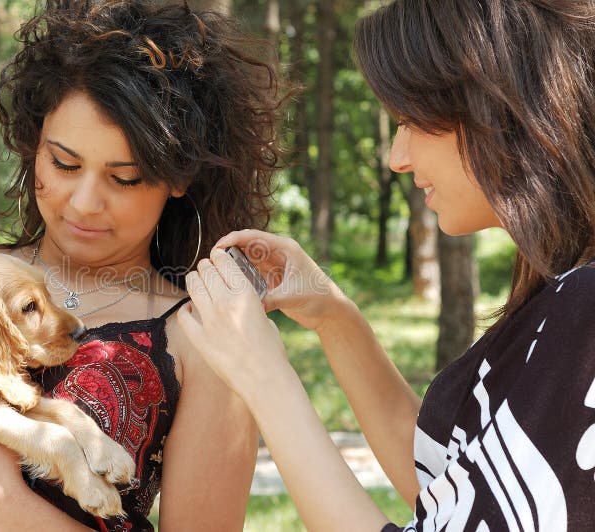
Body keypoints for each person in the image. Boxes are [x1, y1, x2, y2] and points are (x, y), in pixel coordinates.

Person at [0, 1, 288, 530]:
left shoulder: (208, 337)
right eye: (64, 163)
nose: (84, 202)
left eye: (123, 177)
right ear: (32, 145)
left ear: (180, 178)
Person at [178, 0, 595, 530]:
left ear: (495, 106)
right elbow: (450, 489)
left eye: (410, 122)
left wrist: (265, 378)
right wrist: (334, 318)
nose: (397, 157)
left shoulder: (585, 314)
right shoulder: (567, 295)